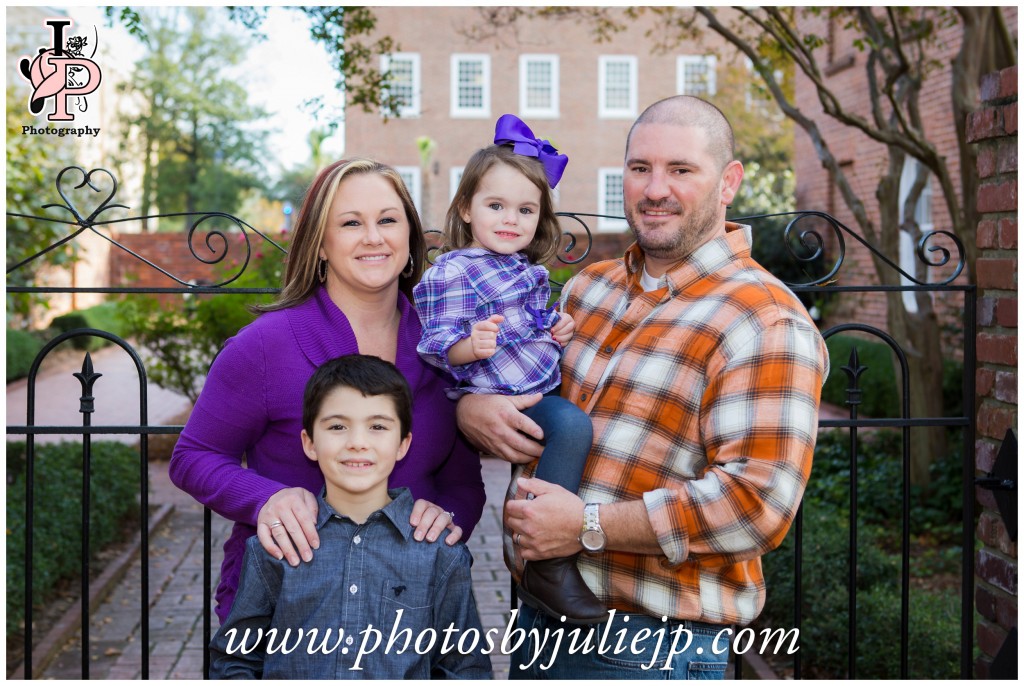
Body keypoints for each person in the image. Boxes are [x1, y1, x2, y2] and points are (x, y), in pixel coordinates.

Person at [456, 95, 829, 679]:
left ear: (728, 182)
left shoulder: (763, 319)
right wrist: (474, 408)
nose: (655, 189)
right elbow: (514, 385)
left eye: (681, 170)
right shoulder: (587, 291)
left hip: (650, 648)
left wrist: (587, 526)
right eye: (640, 169)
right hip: (534, 623)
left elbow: (757, 504)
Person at [170, 158, 486, 624]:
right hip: (286, 612)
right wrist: (266, 499)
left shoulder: (446, 346)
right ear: (320, 243)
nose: (373, 237)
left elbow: (462, 481)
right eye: (351, 222)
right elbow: (193, 457)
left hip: (410, 613)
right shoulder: (264, 345)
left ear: (410, 237)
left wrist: (449, 516)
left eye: (388, 220)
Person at [412, 114, 603, 623]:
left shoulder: (525, 270)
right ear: (467, 208)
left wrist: (555, 328)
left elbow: (532, 323)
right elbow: (435, 346)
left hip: (532, 380)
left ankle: (552, 549)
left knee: (583, 423)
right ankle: (549, 561)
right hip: (492, 390)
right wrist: (468, 347)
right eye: (496, 205)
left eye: (525, 209)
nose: (509, 219)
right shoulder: (453, 270)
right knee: (571, 425)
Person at [209, 355, 492, 679]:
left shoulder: (440, 553)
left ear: (403, 444)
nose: (358, 443)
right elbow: (236, 661)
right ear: (310, 443)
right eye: (338, 426)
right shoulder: (276, 546)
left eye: (377, 427)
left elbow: (465, 669)